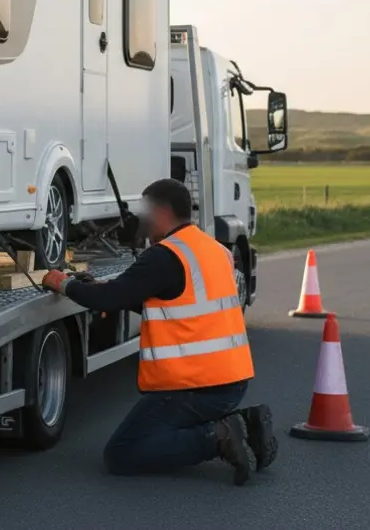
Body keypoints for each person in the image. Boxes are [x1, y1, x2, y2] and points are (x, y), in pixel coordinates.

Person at [40, 177, 277, 486]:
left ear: (163, 212)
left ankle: (219, 436)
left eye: (147, 212)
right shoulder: (214, 250)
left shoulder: (164, 256)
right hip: (231, 381)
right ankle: (244, 423)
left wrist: (62, 283)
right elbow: (173, 303)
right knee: (152, 433)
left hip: (195, 386)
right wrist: (105, 288)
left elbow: (108, 301)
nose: (143, 220)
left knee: (122, 453)